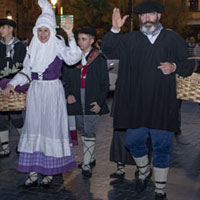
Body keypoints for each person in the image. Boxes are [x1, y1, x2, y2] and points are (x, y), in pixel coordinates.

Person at [101, 1, 194, 200]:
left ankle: (160, 189)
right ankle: (144, 170)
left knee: (162, 147)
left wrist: (174, 66)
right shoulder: (131, 39)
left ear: (159, 16)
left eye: (150, 15)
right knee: (133, 141)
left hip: (163, 104)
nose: (146, 19)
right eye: (142, 16)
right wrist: (115, 29)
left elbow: (187, 65)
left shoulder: (172, 38)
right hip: (136, 105)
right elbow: (108, 49)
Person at [3, 0, 81, 188]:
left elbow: (73, 58)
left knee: (50, 129)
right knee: (33, 128)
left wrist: (70, 34)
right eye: (40, 30)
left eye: (46, 30)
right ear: (35, 31)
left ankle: (48, 173)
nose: (43, 34)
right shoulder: (34, 47)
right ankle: (32, 172)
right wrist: (12, 84)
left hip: (52, 91)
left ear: (51, 31)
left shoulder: (57, 44)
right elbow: (26, 71)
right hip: (36, 92)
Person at [62, 26, 109, 179]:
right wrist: (68, 93)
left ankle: (87, 164)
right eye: (79, 39)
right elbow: (66, 79)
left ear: (92, 41)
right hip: (76, 99)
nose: (80, 42)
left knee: (90, 129)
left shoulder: (98, 59)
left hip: (92, 99)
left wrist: (100, 102)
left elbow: (104, 83)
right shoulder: (71, 58)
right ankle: (91, 157)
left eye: (83, 39)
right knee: (82, 128)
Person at [0, 17, 26, 158]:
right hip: (0, 85)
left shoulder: (20, 46)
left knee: (16, 116)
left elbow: (23, 65)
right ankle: (5, 147)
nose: (1, 30)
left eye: (3, 27)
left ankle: (23, 143)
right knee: (1, 117)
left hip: (15, 85)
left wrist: (14, 81)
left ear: (10, 29)